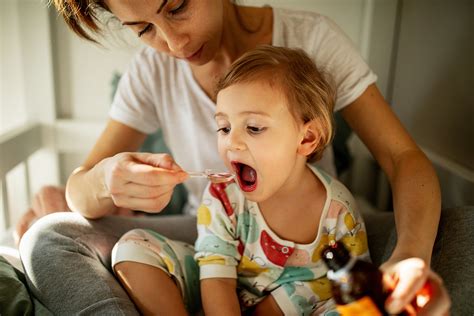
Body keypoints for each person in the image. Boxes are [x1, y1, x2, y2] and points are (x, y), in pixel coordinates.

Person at [19, 0, 450, 315]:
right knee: (48, 237)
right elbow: (81, 189)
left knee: (457, 236)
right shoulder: (153, 74)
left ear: (308, 137)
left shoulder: (313, 40)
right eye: (143, 30)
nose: (172, 42)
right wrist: (103, 181)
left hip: (320, 245)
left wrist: (411, 254)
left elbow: (402, 157)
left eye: (177, 7)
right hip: (210, 234)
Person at [111, 45, 372, 315]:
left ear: (306, 138)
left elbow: (355, 283)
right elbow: (217, 277)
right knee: (133, 247)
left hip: (298, 307)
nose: (232, 142)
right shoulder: (223, 195)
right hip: (217, 294)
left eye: (254, 128)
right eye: (224, 127)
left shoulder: (339, 212)